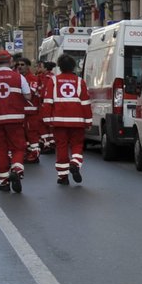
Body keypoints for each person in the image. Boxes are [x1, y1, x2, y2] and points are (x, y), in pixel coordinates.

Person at [0, 50, 30, 193]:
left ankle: (3, 182)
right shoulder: (19, 77)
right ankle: (16, 169)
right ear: (11, 62)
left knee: (1, 150)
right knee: (18, 147)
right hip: (15, 118)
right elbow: (28, 95)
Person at [45, 53, 91, 186]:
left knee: (61, 146)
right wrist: (88, 121)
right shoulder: (79, 81)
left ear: (59, 67)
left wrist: (47, 120)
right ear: (73, 66)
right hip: (77, 121)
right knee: (77, 145)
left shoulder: (53, 81)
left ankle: (63, 176)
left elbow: (48, 102)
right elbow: (85, 103)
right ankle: (75, 163)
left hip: (58, 121)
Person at [18, 57, 44, 165]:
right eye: (18, 65)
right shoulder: (18, 78)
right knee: (24, 135)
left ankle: (34, 154)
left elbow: (30, 93)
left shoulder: (33, 78)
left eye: (22, 64)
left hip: (31, 112)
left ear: (28, 66)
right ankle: (28, 153)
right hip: (21, 112)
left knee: (32, 135)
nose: (20, 66)